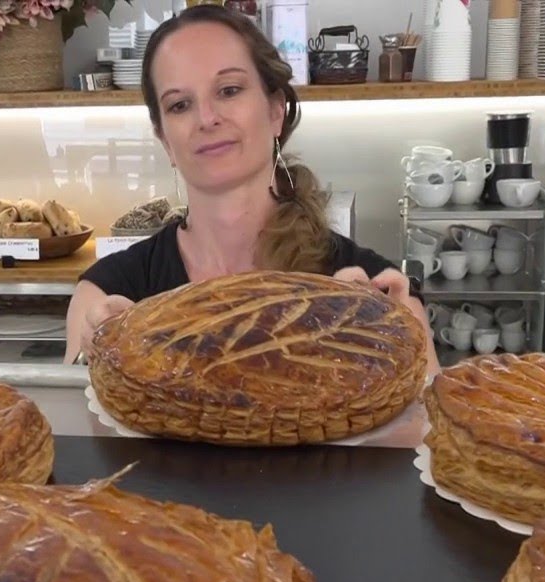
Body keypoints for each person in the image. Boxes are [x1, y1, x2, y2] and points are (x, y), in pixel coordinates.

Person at [64, 4, 439, 376]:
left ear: (276, 110)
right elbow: (85, 432)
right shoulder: (108, 298)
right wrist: (100, 364)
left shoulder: (377, 298)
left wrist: (389, 358)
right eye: (180, 105)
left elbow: (426, 431)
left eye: (229, 90)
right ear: (164, 139)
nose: (207, 118)